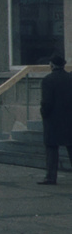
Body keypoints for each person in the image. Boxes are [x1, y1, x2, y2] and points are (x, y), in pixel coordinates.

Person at [38, 53, 72, 185]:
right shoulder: (70, 78)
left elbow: (46, 102)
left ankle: (51, 177)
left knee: (51, 149)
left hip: (53, 119)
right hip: (69, 119)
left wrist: (43, 113)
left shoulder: (48, 80)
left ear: (51, 65)